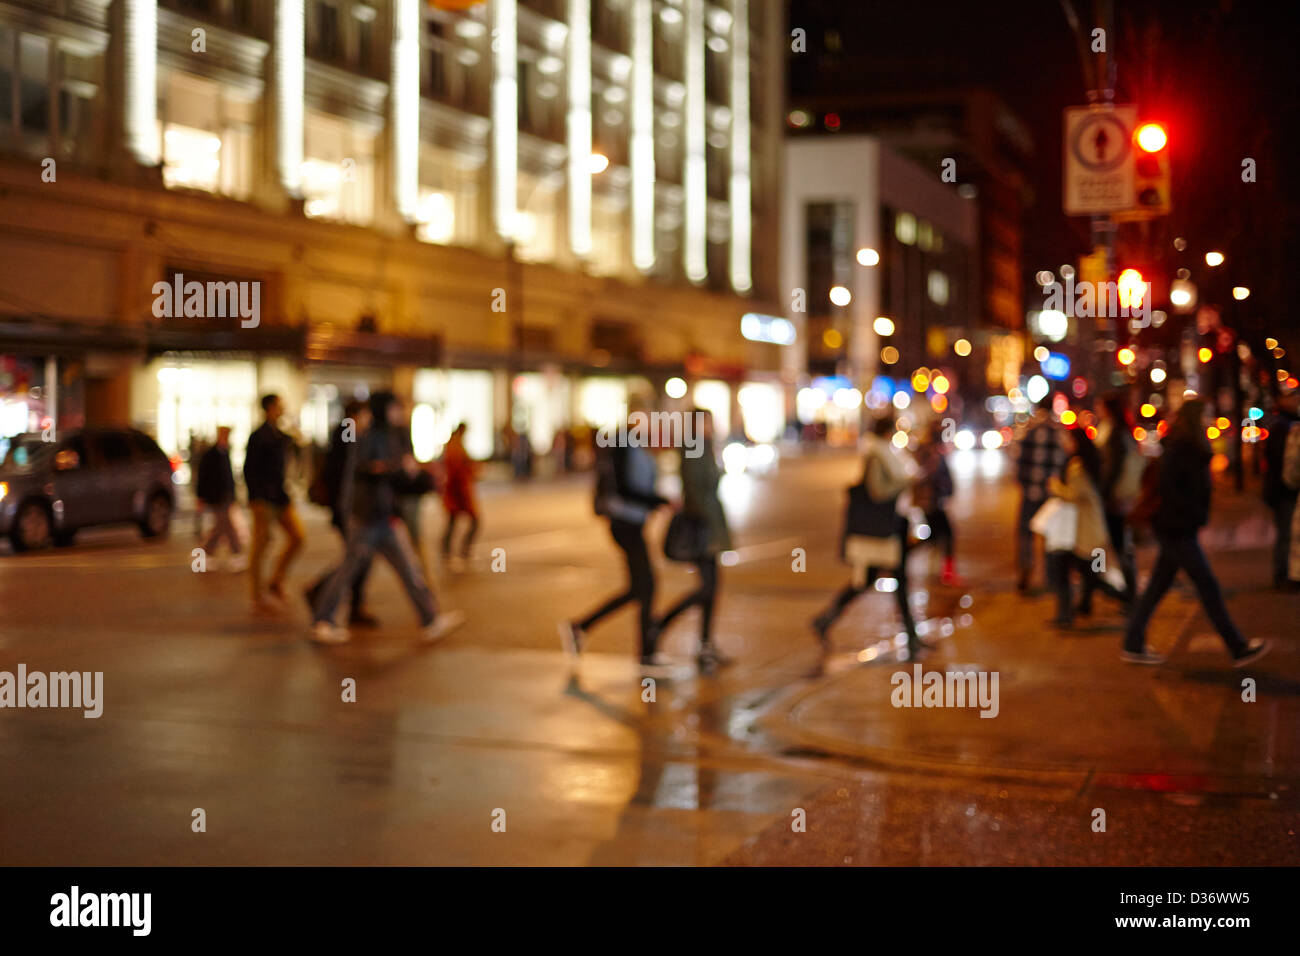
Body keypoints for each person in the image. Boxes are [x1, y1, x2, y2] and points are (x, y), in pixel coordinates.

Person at [1122, 397, 1270, 666]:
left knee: (1158, 585)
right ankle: (1237, 646)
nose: (1208, 421)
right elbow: (1171, 489)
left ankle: (1132, 642)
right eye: (1205, 416)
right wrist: (1189, 513)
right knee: (1207, 586)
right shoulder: (1182, 449)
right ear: (1195, 419)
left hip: (1177, 526)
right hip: (1176, 527)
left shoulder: (1188, 448)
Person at [311, 391, 464, 645]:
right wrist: (398, 468)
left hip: (385, 515)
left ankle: (430, 618)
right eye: (396, 407)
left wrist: (418, 475)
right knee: (349, 570)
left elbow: (397, 476)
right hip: (366, 516)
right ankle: (322, 620)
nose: (400, 412)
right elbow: (363, 470)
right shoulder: (368, 436)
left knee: (408, 569)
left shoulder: (393, 435)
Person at [559, 412, 669, 669]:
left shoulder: (635, 447)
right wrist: (659, 501)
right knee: (647, 586)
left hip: (632, 523)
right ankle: (646, 654)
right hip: (624, 524)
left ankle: (581, 627)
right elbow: (626, 489)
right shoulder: (624, 447)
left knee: (639, 588)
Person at [812, 414, 923, 657]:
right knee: (894, 581)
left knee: (872, 580)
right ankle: (912, 639)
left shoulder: (884, 452)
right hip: (884, 528)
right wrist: (904, 482)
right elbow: (878, 490)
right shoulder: (876, 454)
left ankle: (826, 619)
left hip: (891, 525)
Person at [654, 409, 732, 670]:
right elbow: (696, 487)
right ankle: (663, 623)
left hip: (710, 524)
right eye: (708, 422)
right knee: (707, 587)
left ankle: (706, 643)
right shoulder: (693, 447)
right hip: (702, 526)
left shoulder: (704, 446)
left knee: (712, 587)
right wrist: (705, 525)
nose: (712, 426)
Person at [1043, 427, 1130, 628]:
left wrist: (1055, 486)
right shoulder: (1092, 461)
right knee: (1092, 570)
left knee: (1088, 570)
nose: (1065, 443)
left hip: (1084, 530)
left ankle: (1122, 596)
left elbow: (1074, 494)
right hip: (1094, 526)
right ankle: (1087, 604)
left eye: (1067, 439)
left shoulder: (1077, 465)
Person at [305, 401, 377, 627]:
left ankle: (325, 592)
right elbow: (344, 469)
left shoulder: (348, 433)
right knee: (358, 557)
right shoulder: (346, 431)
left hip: (347, 506)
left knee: (357, 557)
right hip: (346, 508)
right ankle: (343, 603)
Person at [244, 394, 305, 610]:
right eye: (279, 405)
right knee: (262, 544)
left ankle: (276, 581)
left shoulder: (280, 435)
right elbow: (249, 470)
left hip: (280, 496)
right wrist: (256, 498)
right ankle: (257, 595)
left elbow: (296, 450)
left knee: (298, 538)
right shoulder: (258, 436)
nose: (283, 409)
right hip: (264, 498)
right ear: (270, 408)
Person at [1082, 392, 1140, 609]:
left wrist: (1103, 493)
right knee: (1110, 545)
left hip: (1114, 500)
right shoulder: (1116, 430)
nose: (1097, 409)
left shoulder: (1116, 433)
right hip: (1114, 498)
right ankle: (1102, 589)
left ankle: (1123, 592)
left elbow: (1113, 467)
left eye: (1100, 405)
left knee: (1113, 546)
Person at [1013, 396, 1069, 593]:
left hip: (1030, 492)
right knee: (1050, 536)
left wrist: (1022, 482)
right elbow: (1064, 461)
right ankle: (1051, 577)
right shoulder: (1058, 432)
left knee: (1025, 534)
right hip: (1050, 494)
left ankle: (1025, 572)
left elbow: (1018, 460)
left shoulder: (1029, 429)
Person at [912, 420, 961, 586]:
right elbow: (930, 477)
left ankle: (943, 571)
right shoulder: (931, 452)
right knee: (946, 535)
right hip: (933, 502)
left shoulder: (932, 451)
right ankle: (947, 573)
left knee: (934, 537)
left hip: (934, 501)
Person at [1261, 388, 1299, 590]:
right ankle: (1283, 576)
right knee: (1286, 533)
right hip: (1284, 490)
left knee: (1286, 533)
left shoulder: (1284, 424)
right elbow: (1282, 461)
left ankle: (1285, 574)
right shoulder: (1284, 427)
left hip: (1281, 489)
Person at [195, 426, 245, 571]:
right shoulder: (211, 454)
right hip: (216, 497)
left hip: (225, 496)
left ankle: (206, 555)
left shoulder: (224, 453)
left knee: (220, 527)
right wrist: (201, 497)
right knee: (227, 526)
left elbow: (229, 477)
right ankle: (237, 554)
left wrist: (233, 496)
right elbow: (203, 477)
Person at [440, 423, 479, 570]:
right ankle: (458, 551)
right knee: (473, 521)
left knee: (452, 522)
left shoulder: (455, 444)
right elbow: (456, 471)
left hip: (457, 492)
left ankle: (449, 552)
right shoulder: (454, 446)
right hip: (457, 492)